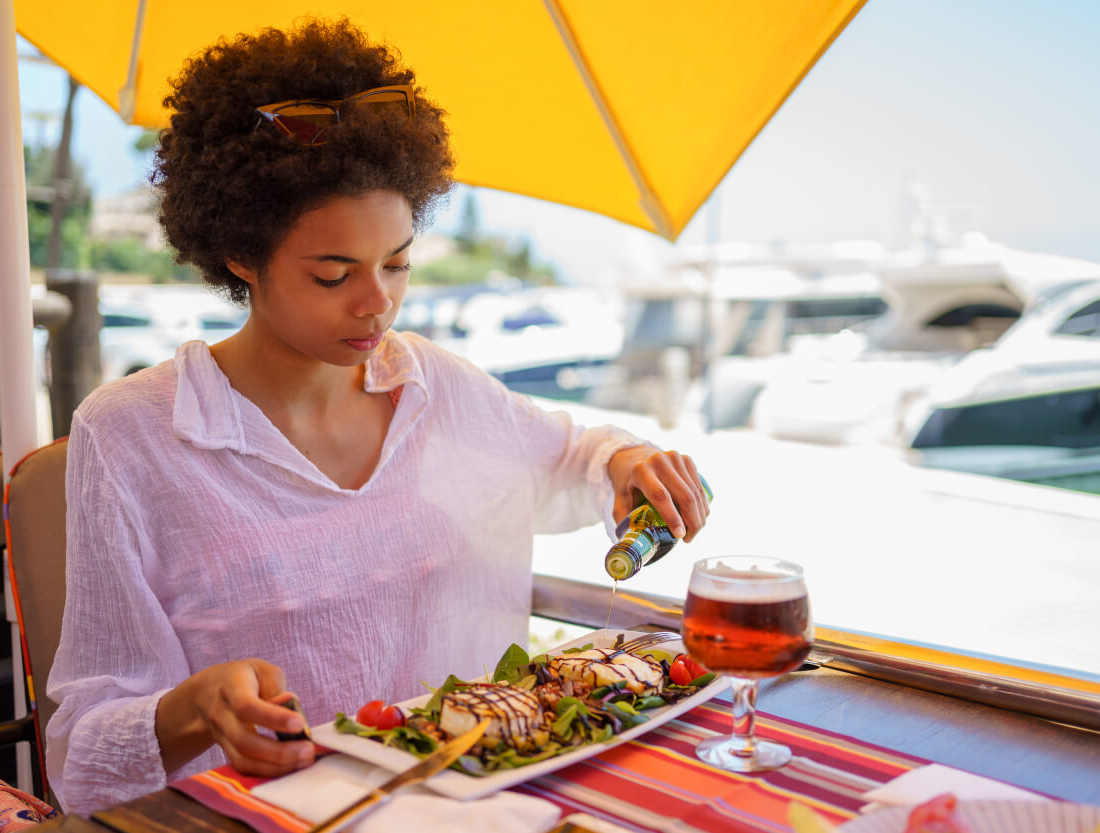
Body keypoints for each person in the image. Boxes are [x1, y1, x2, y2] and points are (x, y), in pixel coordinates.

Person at [45, 19, 709, 816]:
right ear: (240, 256)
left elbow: (572, 460)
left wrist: (627, 462)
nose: (377, 304)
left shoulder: (435, 386)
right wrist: (191, 708)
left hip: (489, 803)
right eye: (334, 275)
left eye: (397, 263)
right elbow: (80, 747)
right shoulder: (133, 436)